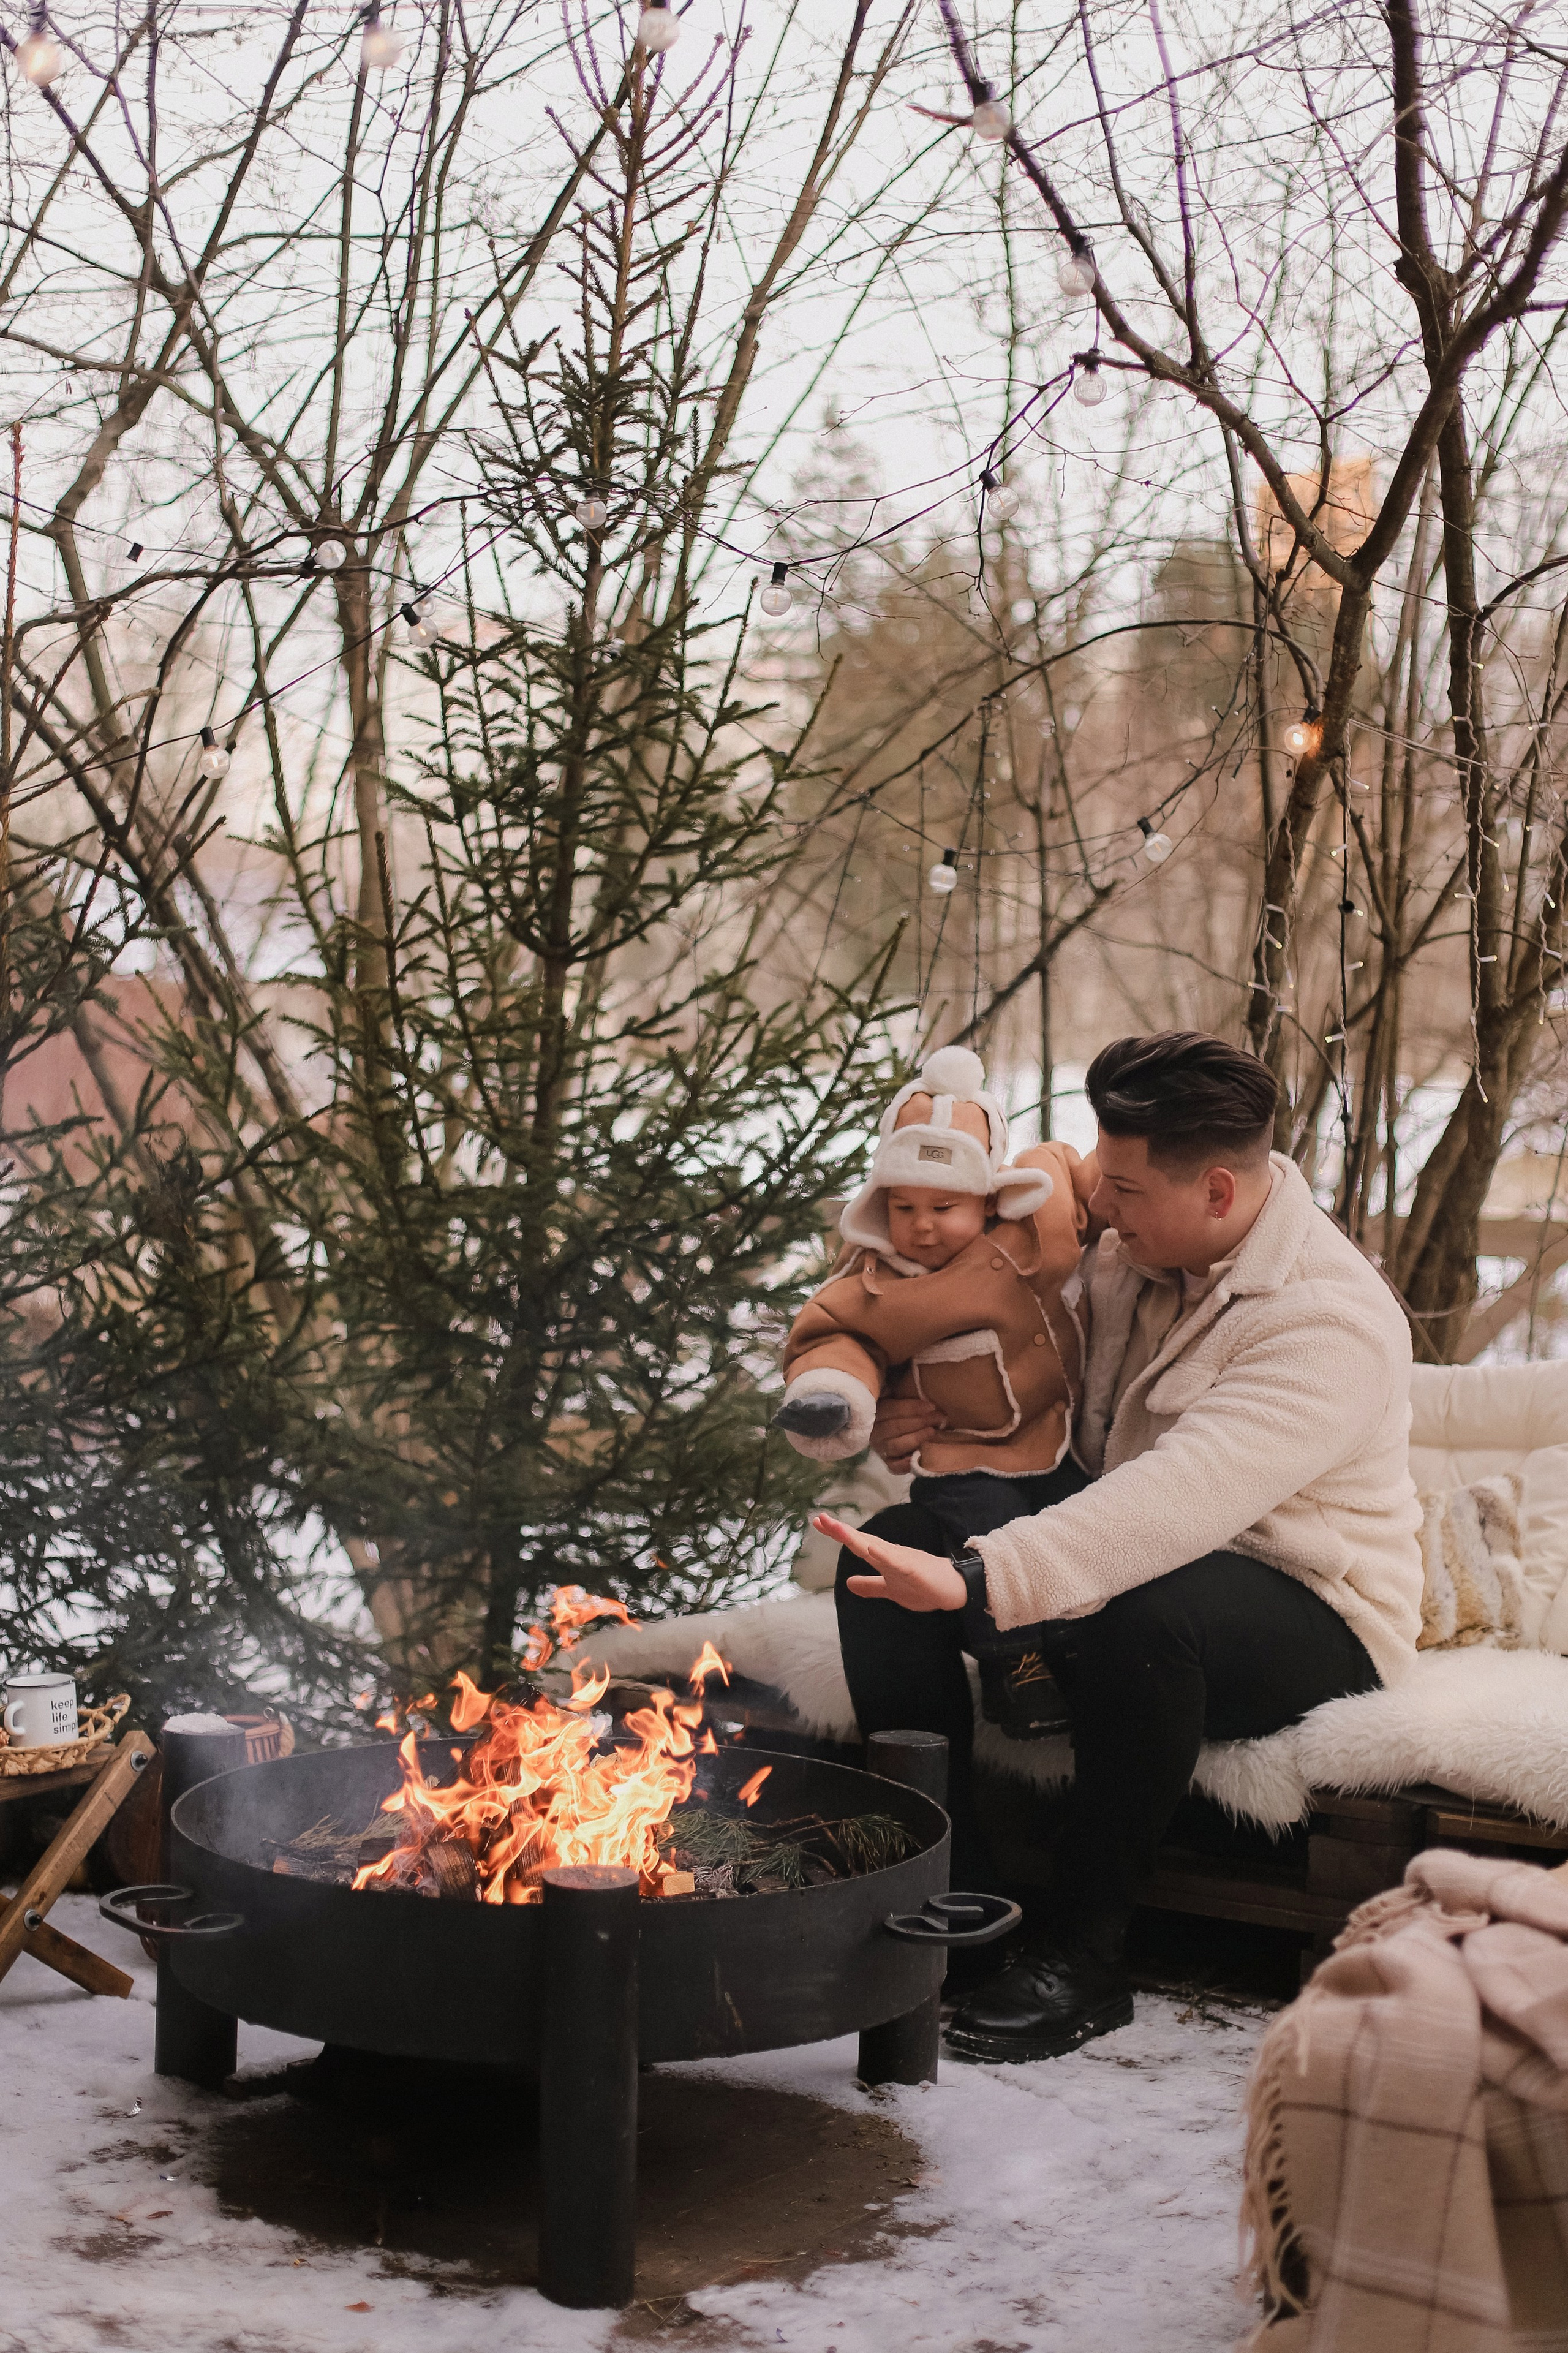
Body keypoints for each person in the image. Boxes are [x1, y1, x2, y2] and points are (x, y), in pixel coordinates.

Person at [819, 1031, 1425, 2064]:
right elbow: (1015, 1354)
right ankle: (953, 1904)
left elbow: (1172, 1503)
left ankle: (1087, 1958)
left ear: (1221, 1191)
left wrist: (979, 1582)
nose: (1101, 1202)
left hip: (1307, 1608)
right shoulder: (1135, 1250)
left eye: (1127, 1188)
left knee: (1147, 1612)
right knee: (883, 1554)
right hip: (1120, 1562)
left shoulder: (1326, 1322)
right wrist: (916, 1415)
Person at [774, 1044, 1098, 1750]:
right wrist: (832, 1394)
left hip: (1056, 1435)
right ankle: (1017, 1664)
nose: (921, 1225)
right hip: (959, 1451)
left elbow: (1084, 1176)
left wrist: (1127, 1176)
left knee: (1073, 1527)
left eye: (943, 1206)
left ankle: (1073, 1648)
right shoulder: (879, 1280)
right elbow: (836, 1337)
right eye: (903, 1206)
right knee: (986, 1537)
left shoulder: (1036, 1223)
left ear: (988, 1198)